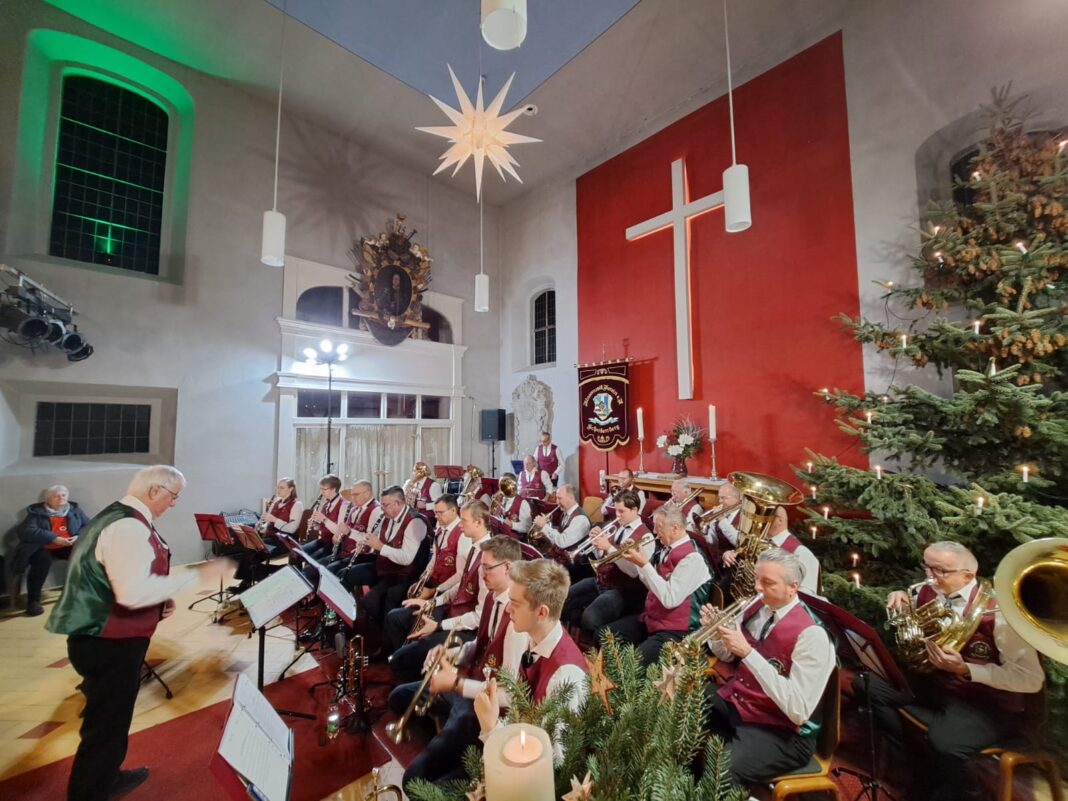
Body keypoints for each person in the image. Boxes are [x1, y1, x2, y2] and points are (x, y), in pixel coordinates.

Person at [45, 465, 232, 801]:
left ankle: (106, 776)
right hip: (109, 642)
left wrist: (159, 599)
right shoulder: (128, 526)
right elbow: (131, 594)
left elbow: (119, 577)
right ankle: (89, 792)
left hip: (100, 637)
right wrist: (197, 575)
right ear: (154, 490)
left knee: (109, 720)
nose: (174, 503)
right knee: (105, 726)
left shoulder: (117, 516)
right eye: (173, 496)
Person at [866, 541, 1045, 801]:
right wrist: (899, 596)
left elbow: (1030, 679)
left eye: (939, 571)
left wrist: (967, 669)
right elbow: (910, 622)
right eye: (927, 566)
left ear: (968, 576)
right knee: (866, 686)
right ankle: (919, 765)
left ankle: (952, 791)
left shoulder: (1000, 615)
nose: (929, 576)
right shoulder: (926, 590)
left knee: (945, 744)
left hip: (984, 704)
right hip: (934, 686)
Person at [386, 536, 525, 788]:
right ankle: (447, 728)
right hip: (469, 681)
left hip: (482, 703)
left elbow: (510, 694)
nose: (481, 574)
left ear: (507, 568)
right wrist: (453, 653)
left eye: (487, 568)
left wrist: (457, 684)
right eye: (481, 567)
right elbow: (480, 643)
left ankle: (455, 743)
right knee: (397, 698)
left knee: (413, 780)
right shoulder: (493, 597)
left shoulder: (517, 619)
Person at [702, 547, 835, 787]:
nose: (757, 588)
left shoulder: (812, 635)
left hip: (783, 731)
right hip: (742, 703)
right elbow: (726, 655)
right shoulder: (757, 608)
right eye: (756, 579)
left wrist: (748, 654)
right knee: (684, 701)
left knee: (722, 771)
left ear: (793, 587)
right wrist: (716, 634)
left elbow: (798, 710)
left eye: (768, 583)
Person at [474, 559, 589, 748]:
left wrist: (491, 727)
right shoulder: (533, 638)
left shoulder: (564, 677)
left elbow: (551, 759)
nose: (507, 609)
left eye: (515, 603)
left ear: (541, 613)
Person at [388, 501, 493, 682]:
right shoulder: (474, 547)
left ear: (479, 523)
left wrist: (439, 626)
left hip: (466, 629)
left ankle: (409, 684)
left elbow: (479, 618)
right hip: (452, 611)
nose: (460, 525)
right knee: (395, 618)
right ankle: (409, 675)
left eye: (464, 520)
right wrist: (433, 601)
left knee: (401, 659)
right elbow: (461, 585)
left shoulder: (488, 558)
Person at [604, 505, 710, 665]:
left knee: (632, 663)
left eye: (658, 527)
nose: (654, 531)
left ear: (675, 528)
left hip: (677, 631)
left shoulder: (693, 559)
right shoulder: (666, 549)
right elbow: (653, 587)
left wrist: (644, 564)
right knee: (605, 636)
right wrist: (639, 562)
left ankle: (632, 676)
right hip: (654, 619)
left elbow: (670, 599)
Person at [381, 494, 469, 655]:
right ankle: (393, 650)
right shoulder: (441, 528)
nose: (436, 516)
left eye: (440, 512)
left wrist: (434, 591)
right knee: (394, 597)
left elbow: (460, 575)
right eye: (435, 512)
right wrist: (422, 579)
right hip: (433, 585)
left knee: (399, 616)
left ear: (453, 511)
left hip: (446, 594)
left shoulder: (463, 535)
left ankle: (404, 654)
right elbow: (434, 559)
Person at [562, 489, 651, 646]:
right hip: (601, 581)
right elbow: (600, 558)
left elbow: (633, 572)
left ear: (635, 510)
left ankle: (599, 647)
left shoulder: (646, 537)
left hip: (623, 591)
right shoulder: (617, 526)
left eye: (621, 511)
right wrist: (596, 543)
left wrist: (609, 547)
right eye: (616, 510)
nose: (617, 515)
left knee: (590, 618)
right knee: (563, 598)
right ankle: (574, 641)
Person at [341, 484, 427, 631]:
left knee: (371, 601)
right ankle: (348, 624)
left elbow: (407, 558)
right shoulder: (387, 516)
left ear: (397, 504)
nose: (382, 508)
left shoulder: (415, 522)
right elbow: (377, 541)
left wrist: (380, 547)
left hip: (403, 574)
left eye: (385, 505)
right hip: (384, 567)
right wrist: (367, 546)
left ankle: (386, 633)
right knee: (346, 574)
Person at [15, 485, 91, 617]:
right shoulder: (37, 513)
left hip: (68, 545)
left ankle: (84, 593)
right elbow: (27, 531)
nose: (61, 498)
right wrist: (54, 538)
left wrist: (78, 536)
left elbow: (88, 525)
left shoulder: (75, 510)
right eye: (56, 496)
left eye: (64, 495)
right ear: (47, 500)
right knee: (41, 563)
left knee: (86, 556)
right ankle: (34, 601)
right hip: (43, 547)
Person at [230, 477, 302, 592]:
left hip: (286, 541)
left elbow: (292, 529)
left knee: (252, 552)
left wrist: (274, 519)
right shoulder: (276, 502)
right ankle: (253, 580)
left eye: (282, 488)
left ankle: (249, 582)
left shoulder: (297, 504)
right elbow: (267, 524)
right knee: (250, 549)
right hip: (272, 538)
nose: (278, 490)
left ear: (291, 489)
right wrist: (260, 526)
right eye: (277, 487)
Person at [530, 484, 591, 579]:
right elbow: (560, 536)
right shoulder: (565, 513)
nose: (557, 502)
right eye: (556, 498)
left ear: (571, 498)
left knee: (538, 572)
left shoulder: (580, 519)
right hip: (563, 559)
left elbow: (562, 542)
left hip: (576, 565)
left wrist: (544, 526)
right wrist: (544, 533)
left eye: (560, 498)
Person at [326, 479, 383, 575]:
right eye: (352, 495)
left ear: (367, 494)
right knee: (318, 566)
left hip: (360, 556)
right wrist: (338, 537)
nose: (352, 498)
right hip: (343, 553)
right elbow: (345, 532)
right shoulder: (354, 509)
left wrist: (349, 532)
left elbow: (370, 540)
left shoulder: (376, 510)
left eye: (356, 494)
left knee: (329, 570)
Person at [300, 474, 349, 563]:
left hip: (335, 544)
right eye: (321, 489)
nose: (321, 492)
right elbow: (322, 527)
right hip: (324, 540)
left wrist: (324, 519)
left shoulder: (344, 505)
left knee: (312, 560)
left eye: (324, 489)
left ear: (334, 489)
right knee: (296, 552)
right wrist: (315, 524)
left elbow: (339, 531)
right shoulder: (326, 504)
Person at [488, 473, 533, 538]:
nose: (500, 489)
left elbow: (528, 527)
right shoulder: (499, 499)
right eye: (500, 485)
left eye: (504, 485)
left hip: (514, 541)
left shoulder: (522, 503)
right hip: (498, 538)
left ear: (513, 486)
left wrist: (512, 525)